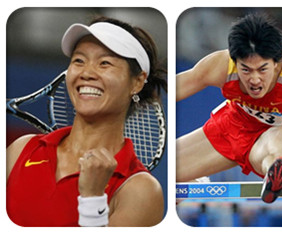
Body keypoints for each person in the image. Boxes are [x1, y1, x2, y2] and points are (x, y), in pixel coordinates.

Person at [6, 16, 166, 227]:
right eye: (79, 61)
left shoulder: (140, 189)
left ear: (137, 82)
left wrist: (93, 199)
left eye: (104, 63)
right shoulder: (21, 149)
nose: (87, 73)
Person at [176, 13, 282, 203]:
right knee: (166, 171)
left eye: (262, 69)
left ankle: (275, 173)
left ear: (276, 64)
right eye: (246, 69)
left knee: (280, 145)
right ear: (235, 62)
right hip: (234, 124)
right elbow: (172, 89)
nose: (254, 79)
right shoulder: (220, 66)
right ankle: (199, 183)